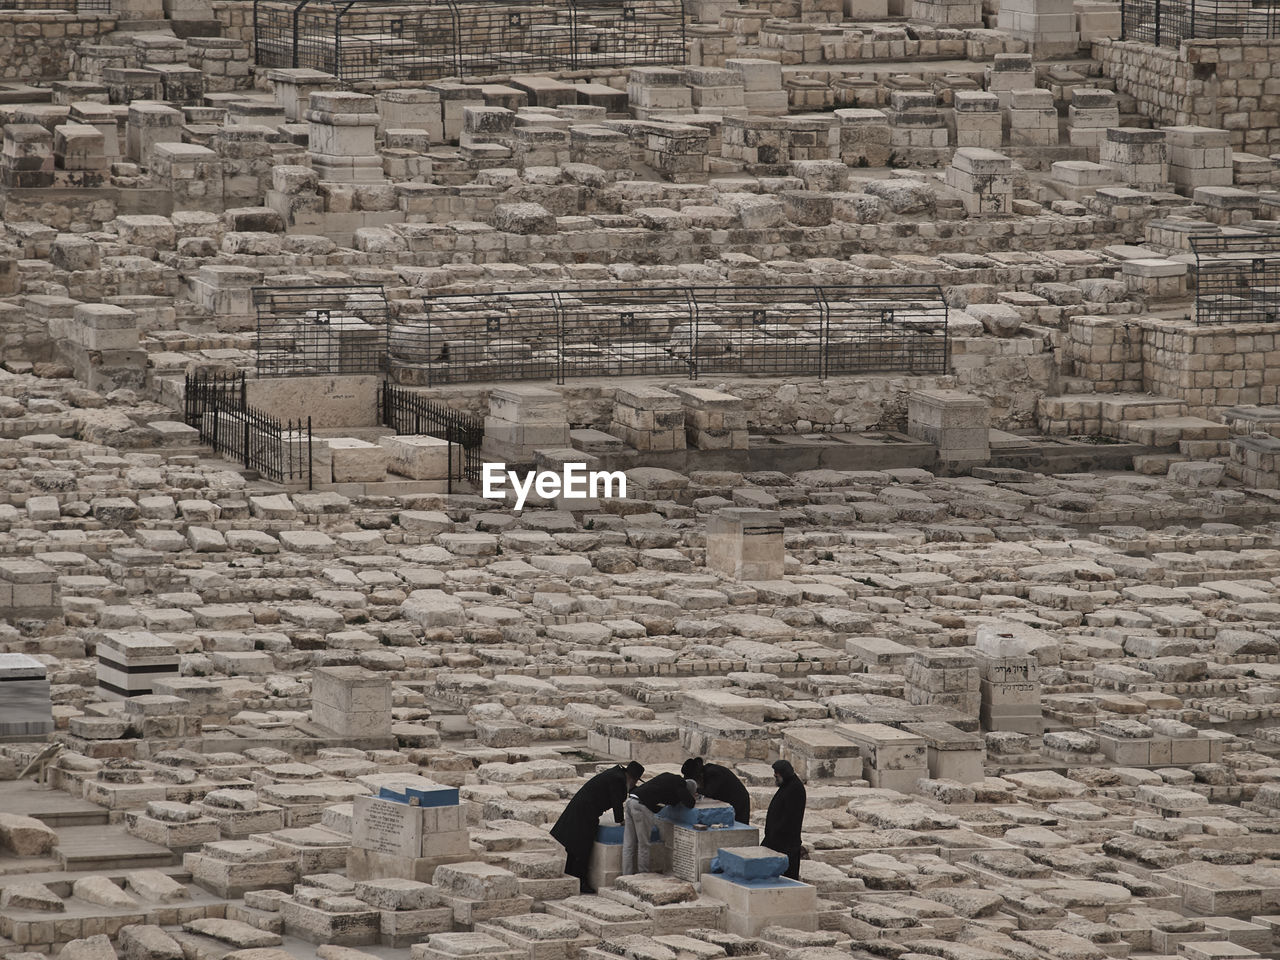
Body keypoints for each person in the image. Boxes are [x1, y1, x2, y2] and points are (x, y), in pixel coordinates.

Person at [550, 761, 644, 894]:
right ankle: (580, 881)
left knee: (574, 845)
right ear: (633, 778)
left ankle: (571, 875)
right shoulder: (618, 779)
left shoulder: (617, 774)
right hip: (585, 812)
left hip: (583, 809)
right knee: (581, 847)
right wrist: (621, 821)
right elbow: (617, 801)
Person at [623, 771, 698, 875]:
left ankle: (626, 874)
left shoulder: (668, 777)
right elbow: (690, 803)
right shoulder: (680, 784)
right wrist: (691, 796)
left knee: (628, 843)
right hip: (641, 806)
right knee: (643, 844)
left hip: (631, 800)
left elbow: (668, 800)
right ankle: (642, 875)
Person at [762, 758, 806, 881]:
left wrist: (775, 833)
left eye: (777, 775)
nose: (775, 778)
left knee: (786, 877)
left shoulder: (795, 789)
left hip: (785, 843)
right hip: (776, 839)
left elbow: (789, 818)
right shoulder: (788, 785)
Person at [681, 757, 750, 825]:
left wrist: (695, 790)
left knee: (739, 825)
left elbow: (709, 792)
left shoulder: (713, 773)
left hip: (739, 800)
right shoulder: (706, 771)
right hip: (730, 799)